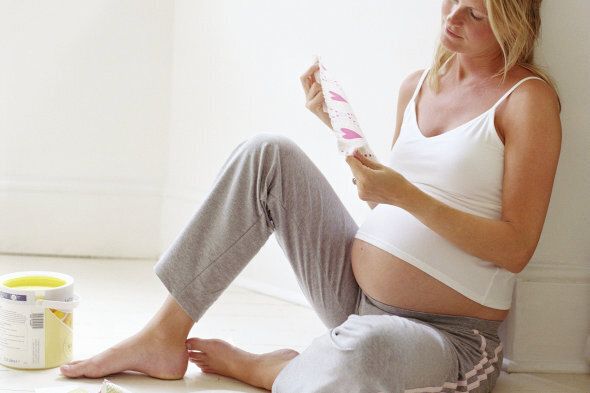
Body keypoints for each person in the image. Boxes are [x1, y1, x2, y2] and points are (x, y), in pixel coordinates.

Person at [59, 0, 562, 392]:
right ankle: (163, 334)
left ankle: (271, 371)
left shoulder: (527, 100)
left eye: (475, 13)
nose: (452, 17)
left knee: (366, 352)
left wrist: (403, 193)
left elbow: (516, 248)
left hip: (449, 337)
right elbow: (386, 207)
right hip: (356, 299)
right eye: (452, 0)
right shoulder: (419, 85)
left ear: (511, 22)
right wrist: (339, 129)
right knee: (267, 154)